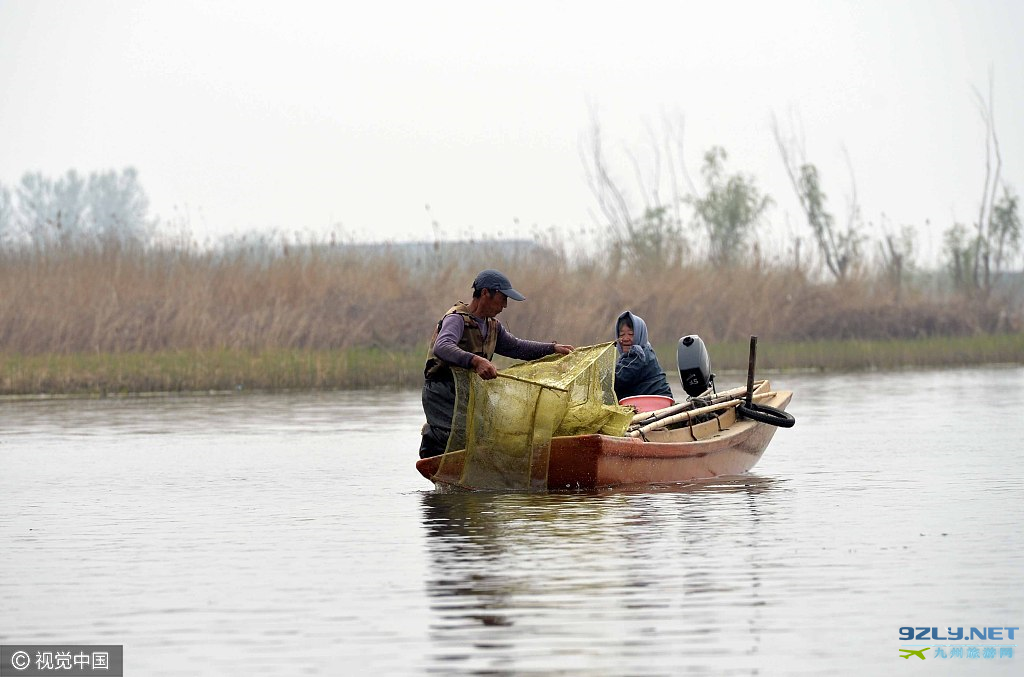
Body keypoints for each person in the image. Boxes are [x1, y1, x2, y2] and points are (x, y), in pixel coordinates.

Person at [419, 269, 574, 458]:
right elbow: (442, 346)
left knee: (484, 433)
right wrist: (475, 361)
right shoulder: (456, 318)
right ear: (485, 293)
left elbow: (517, 348)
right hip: (441, 389)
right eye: (502, 299)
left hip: (469, 391)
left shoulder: (492, 325)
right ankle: (430, 439)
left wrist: (552, 349)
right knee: (455, 433)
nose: (505, 305)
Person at [614, 310, 673, 401]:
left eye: (631, 334)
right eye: (621, 335)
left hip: (657, 403)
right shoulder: (642, 352)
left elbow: (618, 379)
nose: (625, 339)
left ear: (639, 334)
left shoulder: (638, 354)